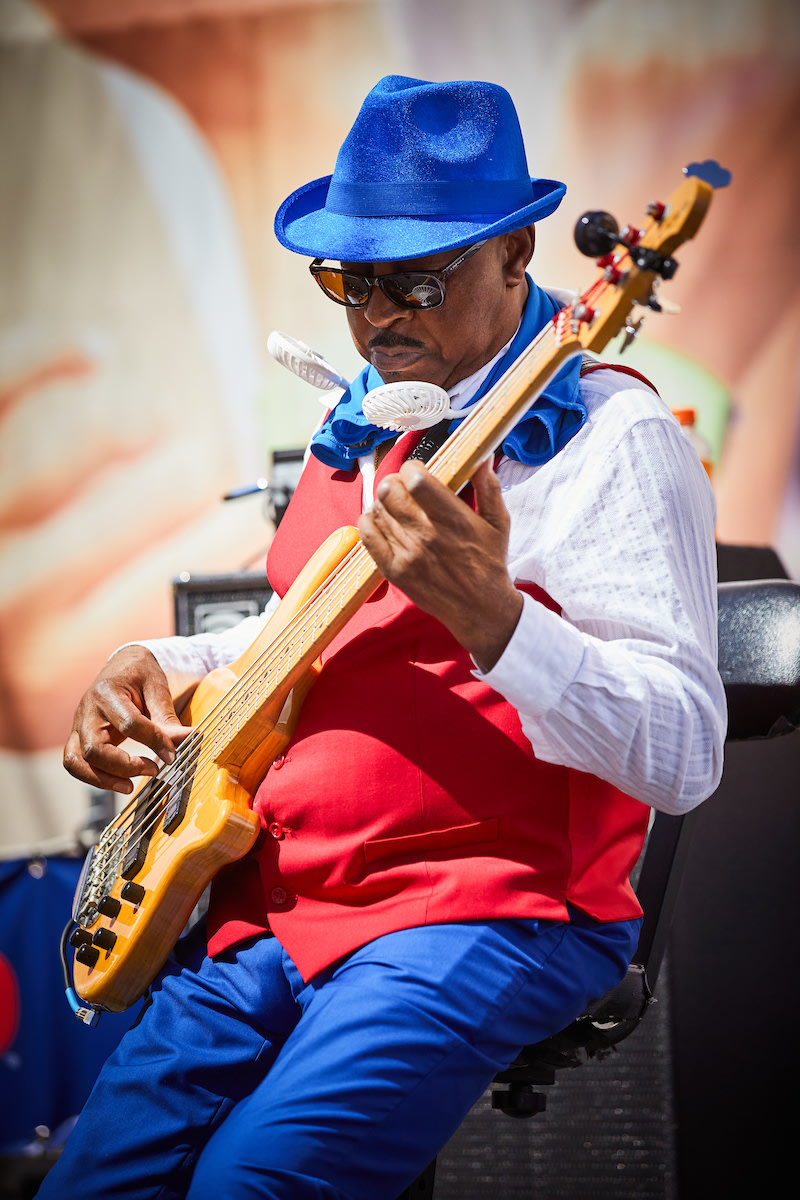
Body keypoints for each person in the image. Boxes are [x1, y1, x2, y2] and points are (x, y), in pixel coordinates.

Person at [42, 76, 726, 1200]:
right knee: (91, 1184)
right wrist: (154, 666)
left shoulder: (613, 437)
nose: (376, 319)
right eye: (348, 284)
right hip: (276, 907)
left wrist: (494, 619)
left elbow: (684, 754)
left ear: (516, 257)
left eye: (416, 279)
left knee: (249, 1189)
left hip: (488, 906)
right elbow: (304, 633)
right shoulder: (359, 420)